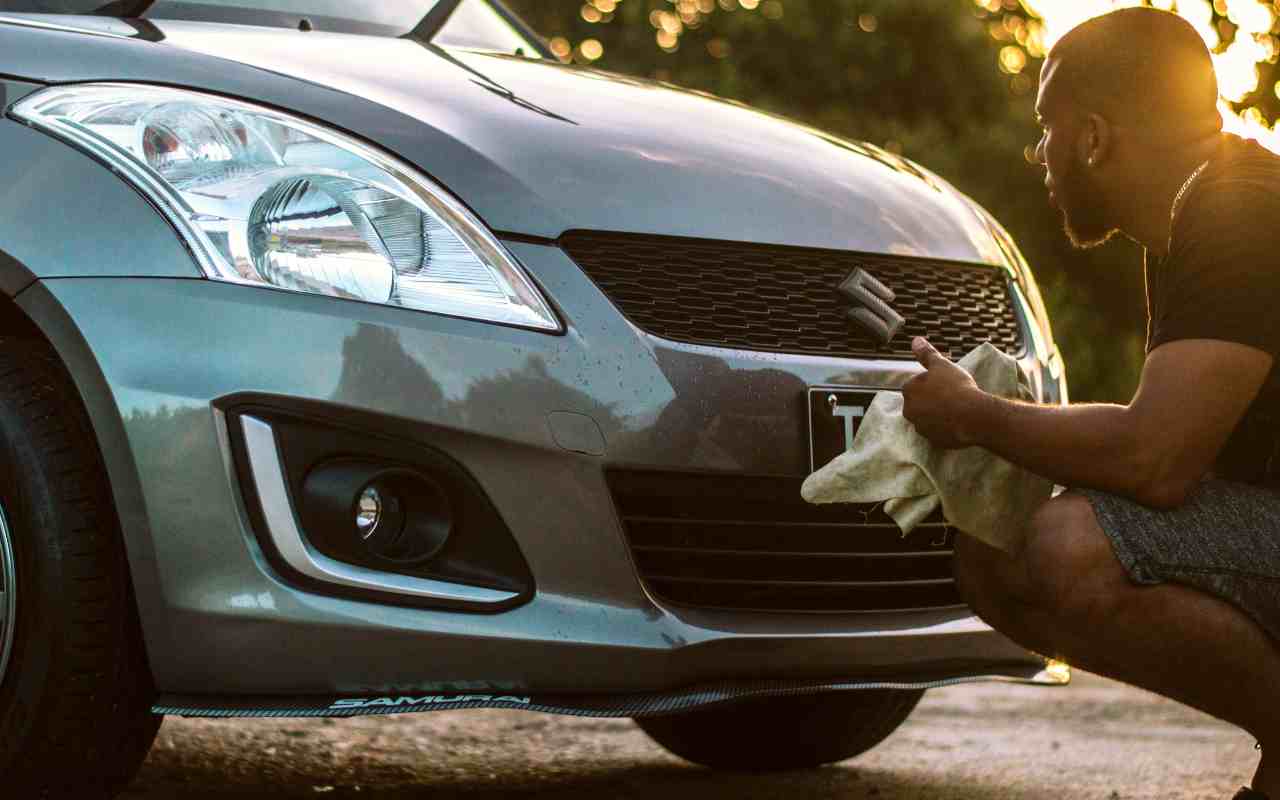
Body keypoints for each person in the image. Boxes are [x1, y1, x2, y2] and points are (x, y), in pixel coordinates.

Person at [901, 8, 1280, 798]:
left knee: (1054, 547)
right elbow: (1175, 435)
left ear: (1095, 138)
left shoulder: (1240, 213)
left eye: (1048, 128)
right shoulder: (1201, 210)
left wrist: (974, 415)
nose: (1039, 153)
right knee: (998, 548)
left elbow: (1157, 459)